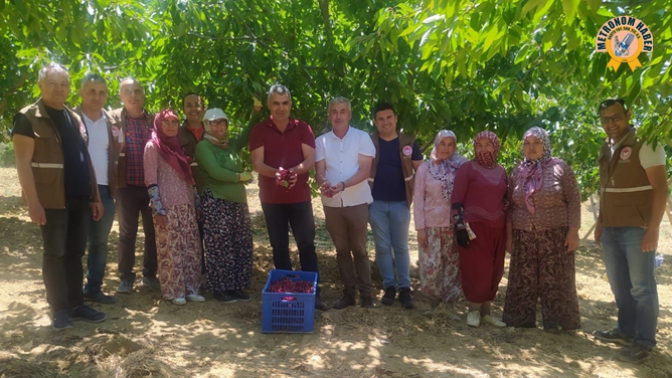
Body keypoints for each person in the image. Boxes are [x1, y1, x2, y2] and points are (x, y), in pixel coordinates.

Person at [12, 63, 106, 329]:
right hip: (51, 200)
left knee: (76, 253)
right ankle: (59, 308)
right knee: (55, 254)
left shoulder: (74, 118)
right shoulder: (27, 118)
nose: (59, 89)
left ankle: (76, 303)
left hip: (78, 198)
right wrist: (33, 203)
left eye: (63, 84)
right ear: (41, 85)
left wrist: (95, 197)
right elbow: (22, 164)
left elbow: (85, 160)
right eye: (53, 83)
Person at [592, 98, 667, 363]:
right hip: (611, 228)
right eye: (605, 119)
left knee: (642, 288)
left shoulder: (646, 143)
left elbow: (660, 188)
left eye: (616, 117)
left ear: (628, 114)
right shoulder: (607, 147)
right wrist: (600, 222)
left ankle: (644, 341)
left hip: (638, 228)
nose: (611, 124)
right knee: (620, 285)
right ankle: (625, 329)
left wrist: (653, 229)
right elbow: (606, 188)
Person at [249, 84, 328, 311]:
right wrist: (278, 173)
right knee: (279, 247)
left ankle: (314, 294)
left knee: (307, 245)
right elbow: (257, 163)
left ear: (290, 104)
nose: (281, 108)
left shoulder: (303, 128)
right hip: (272, 200)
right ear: (269, 105)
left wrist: (292, 172)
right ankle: (287, 296)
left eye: (285, 103)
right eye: (276, 103)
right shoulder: (259, 130)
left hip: (300, 198)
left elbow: (310, 159)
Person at [502, 127, 581, 333]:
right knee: (523, 277)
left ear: (545, 144)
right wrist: (509, 235)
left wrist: (574, 231)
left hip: (555, 233)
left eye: (536, 143)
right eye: (527, 143)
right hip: (523, 233)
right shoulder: (518, 172)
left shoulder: (560, 168)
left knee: (556, 277)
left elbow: (573, 199)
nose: (531, 147)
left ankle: (558, 322)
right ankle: (520, 320)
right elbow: (510, 205)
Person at [315, 97, 375, 309]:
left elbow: (364, 171)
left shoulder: (362, 137)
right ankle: (348, 295)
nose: (338, 115)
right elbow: (320, 172)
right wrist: (323, 183)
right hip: (332, 204)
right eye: (334, 111)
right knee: (341, 249)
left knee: (359, 248)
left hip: (357, 201)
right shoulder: (321, 141)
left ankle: (366, 296)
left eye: (342, 111)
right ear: (329, 115)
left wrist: (341, 185)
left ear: (349, 115)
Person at [144, 109, 204, 305]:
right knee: (170, 250)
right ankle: (174, 290)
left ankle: (191, 289)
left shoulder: (179, 147)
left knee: (190, 248)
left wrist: (196, 202)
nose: (170, 126)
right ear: (159, 125)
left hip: (185, 205)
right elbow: (151, 180)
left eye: (174, 122)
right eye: (166, 122)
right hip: (166, 207)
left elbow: (190, 179)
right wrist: (158, 209)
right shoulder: (153, 147)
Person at [195, 108, 255, 303]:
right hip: (217, 201)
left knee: (240, 244)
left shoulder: (230, 146)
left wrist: (256, 112)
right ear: (206, 125)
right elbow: (215, 171)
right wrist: (238, 176)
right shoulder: (203, 147)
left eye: (222, 122)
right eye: (214, 123)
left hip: (238, 203)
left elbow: (247, 132)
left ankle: (237, 286)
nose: (219, 126)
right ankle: (221, 288)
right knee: (220, 246)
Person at [368, 102, 423, 308]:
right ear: (376, 122)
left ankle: (405, 289)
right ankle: (389, 287)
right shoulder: (369, 142)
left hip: (401, 203)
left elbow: (421, 171)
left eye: (389, 117)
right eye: (380, 119)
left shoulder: (408, 141)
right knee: (382, 247)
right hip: (376, 204)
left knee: (400, 247)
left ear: (395, 118)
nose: (385, 122)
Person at [74, 74, 123, 304]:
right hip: (76, 190)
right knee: (74, 242)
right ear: (81, 92)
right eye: (92, 91)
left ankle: (93, 288)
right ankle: (71, 292)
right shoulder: (71, 119)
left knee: (100, 242)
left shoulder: (112, 122)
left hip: (105, 190)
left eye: (102, 92)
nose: (97, 97)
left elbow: (117, 151)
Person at [451, 131, 507, 328]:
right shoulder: (467, 168)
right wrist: (459, 228)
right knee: (478, 270)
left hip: (498, 229)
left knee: (495, 270)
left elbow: (506, 201)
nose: (483, 149)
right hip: (473, 228)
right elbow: (456, 199)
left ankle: (486, 313)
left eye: (488, 145)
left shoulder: (502, 171)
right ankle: (473, 312)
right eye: (479, 145)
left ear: (496, 147)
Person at [110, 78, 159, 293]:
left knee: (153, 232)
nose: (133, 95)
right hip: (126, 186)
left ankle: (150, 275)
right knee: (127, 233)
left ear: (143, 94)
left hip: (151, 187)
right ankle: (126, 277)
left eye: (137, 91)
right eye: (128, 91)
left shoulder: (153, 120)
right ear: (121, 96)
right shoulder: (114, 119)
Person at [413, 130, 467, 319]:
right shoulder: (425, 169)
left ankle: (450, 306)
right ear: (436, 144)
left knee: (452, 267)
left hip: (453, 226)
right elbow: (418, 200)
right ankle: (434, 304)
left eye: (450, 144)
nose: (446, 148)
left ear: (455, 146)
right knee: (431, 266)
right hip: (430, 226)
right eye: (442, 143)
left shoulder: (461, 167)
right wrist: (420, 229)